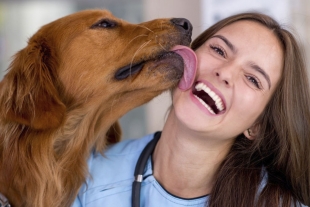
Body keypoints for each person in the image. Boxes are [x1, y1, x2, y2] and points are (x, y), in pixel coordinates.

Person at [72, 12, 310, 207]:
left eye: (253, 79)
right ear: (187, 58)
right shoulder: (87, 176)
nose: (225, 72)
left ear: (257, 126)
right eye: (218, 50)